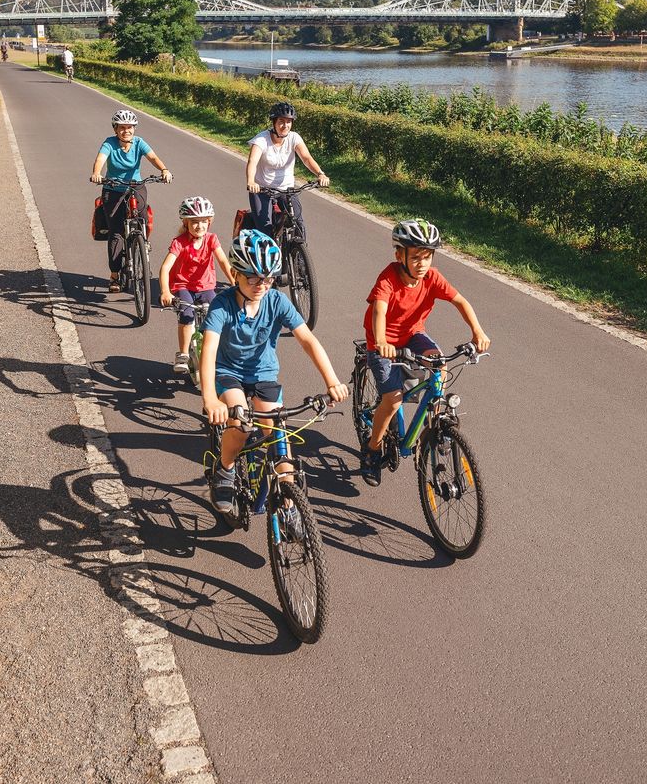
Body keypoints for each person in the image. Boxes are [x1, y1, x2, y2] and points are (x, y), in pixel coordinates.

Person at [201, 229, 348, 520]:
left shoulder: (277, 301)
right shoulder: (222, 304)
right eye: (253, 277)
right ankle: (226, 468)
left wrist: (331, 380)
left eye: (268, 278)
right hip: (229, 372)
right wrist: (210, 399)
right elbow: (208, 351)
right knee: (241, 420)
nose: (261, 285)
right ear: (235, 273)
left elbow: (307, 340)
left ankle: (290, 507)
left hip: (264, 374)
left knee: (280, 437)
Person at [359, 218, 490, 485]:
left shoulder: (431, 277)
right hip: (382, 343)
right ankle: (372, 450)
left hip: (413, 334)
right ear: (400, 255)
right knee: (393, 398)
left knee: (440, 367)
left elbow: (460, 301)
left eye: (427, 257)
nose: (423, 264)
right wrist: (382, 341)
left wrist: (477, 331)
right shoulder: (388, 279)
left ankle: (434, 425)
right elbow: (379, 310)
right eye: (416, 257)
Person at [89, 109, 171, 292]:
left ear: (134, 128)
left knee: (142, 217)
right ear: (116, 129)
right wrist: (97, 173)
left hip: (136, 185)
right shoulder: (109, 143)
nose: (126, 131)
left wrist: (164, 170)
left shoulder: (139, 143)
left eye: (130, 127)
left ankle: (141, 242)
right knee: (116, 232)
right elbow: (100, 159)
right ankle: (115, 275)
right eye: (122, 128)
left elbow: (153, 157)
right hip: (113, 188)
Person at [159, 196, 231, 373]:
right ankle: (183, 354)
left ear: (209, 222)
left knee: (215, 315)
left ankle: (215, 351)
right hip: (183, 286)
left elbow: (223, 260)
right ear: (186, 223)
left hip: (206, 286)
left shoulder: (211, 239)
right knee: (187, 315)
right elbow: (165, 267)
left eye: (203, 221)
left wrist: (234, 281)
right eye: (194, 222)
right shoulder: (179, 243)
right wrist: (165, 292)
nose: (200, 226)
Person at [243, 102, 329, 234]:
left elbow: (306, 158)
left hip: (286, 190)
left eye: (289, 122)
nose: (285, 125)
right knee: (265, 229)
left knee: (298, 224)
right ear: (274, 122)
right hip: (262, 190)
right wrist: (251, 181)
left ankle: (299, 253)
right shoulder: (261, 140)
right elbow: (252, 162)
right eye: (281, 121)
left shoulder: (294, 138)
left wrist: (320, 173)